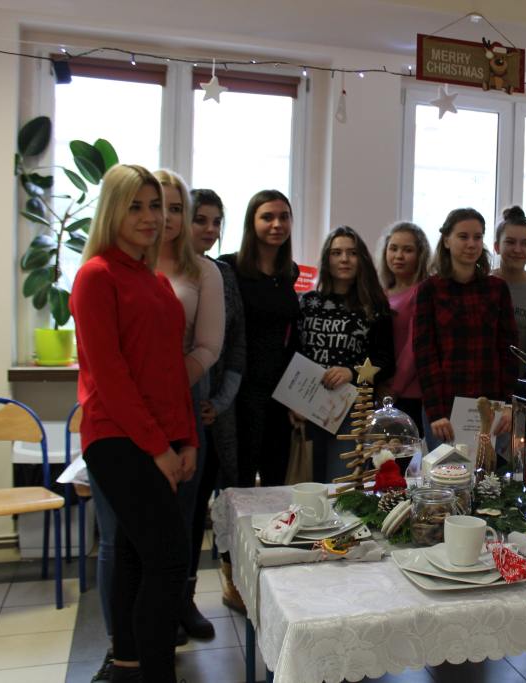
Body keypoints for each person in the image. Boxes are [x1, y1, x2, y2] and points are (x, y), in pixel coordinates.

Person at [72, 164, 196, 683]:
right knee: (169, 561)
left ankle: (127, 664)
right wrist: (157, 448)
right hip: (117, 438)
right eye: (137, 207)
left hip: (159, 437)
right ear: (112, 211)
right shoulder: (96, 275)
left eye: (157, 207)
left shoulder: (155, 281)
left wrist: (186, 439)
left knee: (135, 554)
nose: (151, 217)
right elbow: (111, 376)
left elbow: (171, 371)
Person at [153, 169, 223, 642]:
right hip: (127, 403)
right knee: (134, 526)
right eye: (156, 206)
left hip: (185, 395)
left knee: (183, 513)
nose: (165, 217)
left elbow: (210, 346)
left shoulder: (204, 271)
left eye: (176, 208)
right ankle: (135, 631)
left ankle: (179, 603)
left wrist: (168, 386)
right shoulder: (121, 266)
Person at [188, 188, 247, 615]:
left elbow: (236, 342)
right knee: (183, 515)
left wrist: (220, 401)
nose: (209, 229)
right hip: (178, 412)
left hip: (218, 413)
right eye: (200, 219)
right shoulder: (162, 271)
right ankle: (177, 603)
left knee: (216, 509)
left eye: (216, 222)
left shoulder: (223, 273)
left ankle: (206, 592)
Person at [414, 208, 518, 451]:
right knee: (445, 473)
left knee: (489, 474)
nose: (472, 244)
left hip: (491, 409)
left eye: (478, 237)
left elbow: (509, 352)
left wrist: (508, 405)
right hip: (444, 410)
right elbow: (425, 354)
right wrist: (436, 412)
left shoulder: (497, 289)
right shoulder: (430, 289)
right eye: (463, 236)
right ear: (446, 240)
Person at [299, 226, 395, 482]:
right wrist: (293, 403)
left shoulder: (375, 306)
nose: (344, 259)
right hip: (307, 404)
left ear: (362, 259)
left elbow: (387, 362)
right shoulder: (308, 303)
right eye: (336, 252)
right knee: (307, 485)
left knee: (340, 485)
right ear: (326, 258)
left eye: (352, 253)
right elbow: (295, 354)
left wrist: (352, 372)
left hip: (351, 410)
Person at [218, 190, 299, 489]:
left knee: (277, 480)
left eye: (284, 217)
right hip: (241, 390)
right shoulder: (228, 268)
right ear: (251, 223)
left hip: (280, 391)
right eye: (267, 217)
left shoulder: (289, 272)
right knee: (238, 479)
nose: (277, 224)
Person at [378, 221, 431, 434]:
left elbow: (413, 346)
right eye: (393, 248)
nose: (398, 256)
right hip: (382, 390)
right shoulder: (381, 293)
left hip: (409, 394)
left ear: (420, 255)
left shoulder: (421, 291)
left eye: (407, 250)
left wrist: (394, 388)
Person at [491, 206, 526, 356]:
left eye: (525, 243)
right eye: (510, 242)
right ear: (497, 247)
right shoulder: (483, 285)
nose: (517, 250)